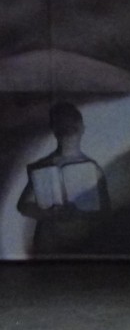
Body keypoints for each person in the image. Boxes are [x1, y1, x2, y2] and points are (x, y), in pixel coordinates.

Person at [16, 102, 111, 254]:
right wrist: (49, 213)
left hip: (80, 245)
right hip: (50, 245)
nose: (69, 134)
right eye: (64, 128)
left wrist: (78, 213)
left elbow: (105, 211)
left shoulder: (93, 169)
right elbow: (24, 206)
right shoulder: (42, 168)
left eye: (71, 127)